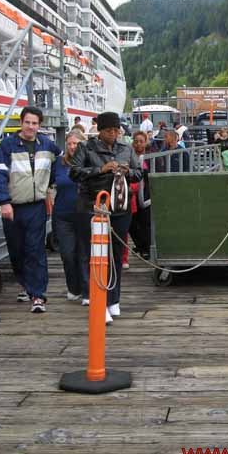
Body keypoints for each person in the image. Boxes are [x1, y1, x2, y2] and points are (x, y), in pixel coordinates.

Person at [70, 112, 142, 323]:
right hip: (93, 207)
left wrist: (127, 171)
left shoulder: (126, 148)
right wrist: (101, 169)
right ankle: (98, 300)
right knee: (96, 255)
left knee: (117, 254)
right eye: (109, 131)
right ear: (100, 131)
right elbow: (74, 172)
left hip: (120, 207)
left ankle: (113, 298)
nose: (113, 134)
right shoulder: (86, 147)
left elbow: (139, 173)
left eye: (116, 130)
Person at [0, 106, 60, 313]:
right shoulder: (7, 146)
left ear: (40, 125)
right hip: (13, 207)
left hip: (36, 207)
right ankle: (24, 284)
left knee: (35, 250)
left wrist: (50, 188)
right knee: (17, 251)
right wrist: (3, 202)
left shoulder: (48, 145)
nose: (31, 126)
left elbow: (60, 164)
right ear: (21, 123)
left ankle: (38, 295)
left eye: (35, 123)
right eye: (28, 122)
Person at [53, 130, 88, 301]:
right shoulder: (59, 163)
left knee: (83, 254)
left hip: (84, 214)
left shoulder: (88, 161)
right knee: (67, 253)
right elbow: (48, 182)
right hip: (63, 214)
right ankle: (74, 288)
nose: (72, 146)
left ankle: (87, 290)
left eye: (76, 143)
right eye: (70, 143)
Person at [129, 131, 152, 259]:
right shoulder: (129, 156)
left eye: (141, 141)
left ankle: (146, 248)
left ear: (145, 142)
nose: (138, 144)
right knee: (132, 223)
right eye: (136, 141)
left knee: (145, 223)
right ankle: (139, 244)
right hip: (132, 195)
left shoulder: (150, 157)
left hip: (146, 194)